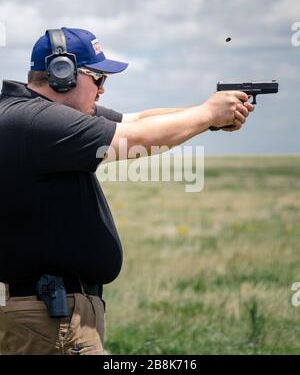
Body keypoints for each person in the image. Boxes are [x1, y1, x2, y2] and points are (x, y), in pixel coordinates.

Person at [0, 27, 254, 355]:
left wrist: (210, 116)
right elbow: (133, 139)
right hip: (51, 322)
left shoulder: (36, 114)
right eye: (98, 78)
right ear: (62, 74)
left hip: (55, 315)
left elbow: (138, 120)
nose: (103, 90)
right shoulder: (33, 121)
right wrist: (207, 114)